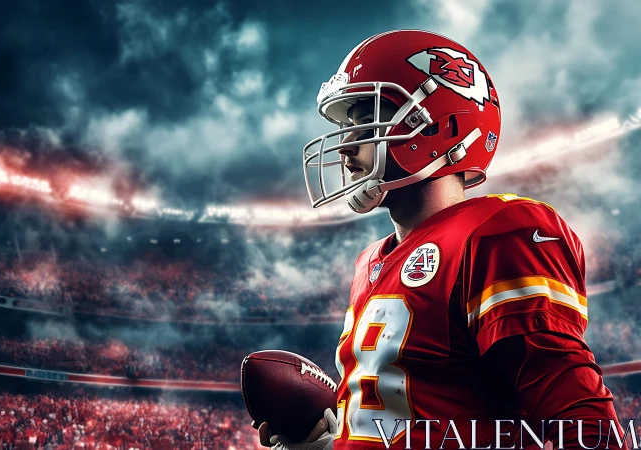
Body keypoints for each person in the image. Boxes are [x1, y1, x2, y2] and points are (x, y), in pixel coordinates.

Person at [254, 30, 624, 450]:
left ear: (436, 124)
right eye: (347, 126)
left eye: (365, 119)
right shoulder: (370, 261)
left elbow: (585, 426)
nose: (345, 146)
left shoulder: (499, 230)